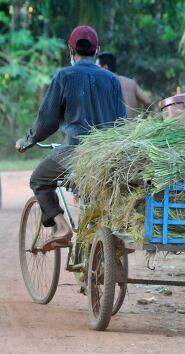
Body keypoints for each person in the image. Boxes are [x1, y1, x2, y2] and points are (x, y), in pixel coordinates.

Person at [15, 25, 127, 250]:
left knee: (39, 179)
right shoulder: (112, 79)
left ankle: (62, 226)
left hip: (75, 152)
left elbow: (47, 122)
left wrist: (27, 140)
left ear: (70, 50)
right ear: (97, 50)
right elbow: (122, 124)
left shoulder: (64, 76)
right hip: (107, 155)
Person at [96, 52, 151, 119]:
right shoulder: (130, 82)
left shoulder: (102, 85)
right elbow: (148, 103)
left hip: (113, 129)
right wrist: (142, 120)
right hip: (132, 128)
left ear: (105, 67)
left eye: (97, 67)